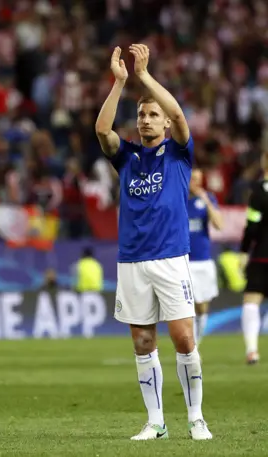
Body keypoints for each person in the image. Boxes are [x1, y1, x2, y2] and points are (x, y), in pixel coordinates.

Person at [95, 44, 211, 440]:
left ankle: (196, 417)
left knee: (183, 338)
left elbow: (179, 113)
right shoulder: (126, 157)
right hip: (132, 260)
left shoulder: (178, 154)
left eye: (152, 115)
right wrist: (120, 83)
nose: (145, 120)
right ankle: (156, 422)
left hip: (170, 257)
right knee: (143, 342)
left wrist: (144, 78)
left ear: (164, 124)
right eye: (142, 114)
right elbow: (101, 131)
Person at [187, 168, 223, 346]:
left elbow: (219, 225)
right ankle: (190, 348)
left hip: (203, 261)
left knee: (202, 307)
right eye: (193, 179)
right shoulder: (177, 200)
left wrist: (207, 201)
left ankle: (196, 343)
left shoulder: (207, 200)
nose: (196, 183)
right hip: (183, 262)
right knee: (188, 307)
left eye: (199, 180)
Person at [239, 150, 268, 365]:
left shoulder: (259, 191)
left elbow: (253, 225)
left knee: (251, 301)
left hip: (262, 255)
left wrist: (244, 251)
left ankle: (252, 351)